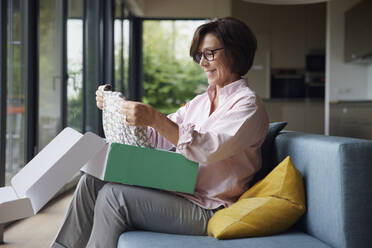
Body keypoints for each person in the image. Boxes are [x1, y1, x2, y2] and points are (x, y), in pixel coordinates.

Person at [51, 17, 269, 248]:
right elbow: (159, 138)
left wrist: (156, 118)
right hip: (179, 192)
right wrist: (121, 109)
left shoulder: (248, 106)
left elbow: (207, 149)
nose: (203, 63)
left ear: (236, 52)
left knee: (114, 196)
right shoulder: (200, 102)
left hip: (210, 208)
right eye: (199, 56)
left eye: (209, 53)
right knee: (91, 180)